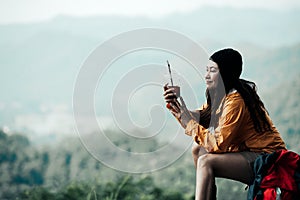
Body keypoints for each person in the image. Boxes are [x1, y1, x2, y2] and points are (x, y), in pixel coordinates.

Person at [163, 48, 286, 200]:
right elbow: (203, 116)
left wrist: (188, 122)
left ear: (225, 73)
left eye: (212, 71)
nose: (206, 76)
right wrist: (178, 106)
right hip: (250, 153)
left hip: (268, 161)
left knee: (206, 161)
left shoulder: (236, 100)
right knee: (198, 149)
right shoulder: (221, 93)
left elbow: (217, 144)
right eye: (207, 70)